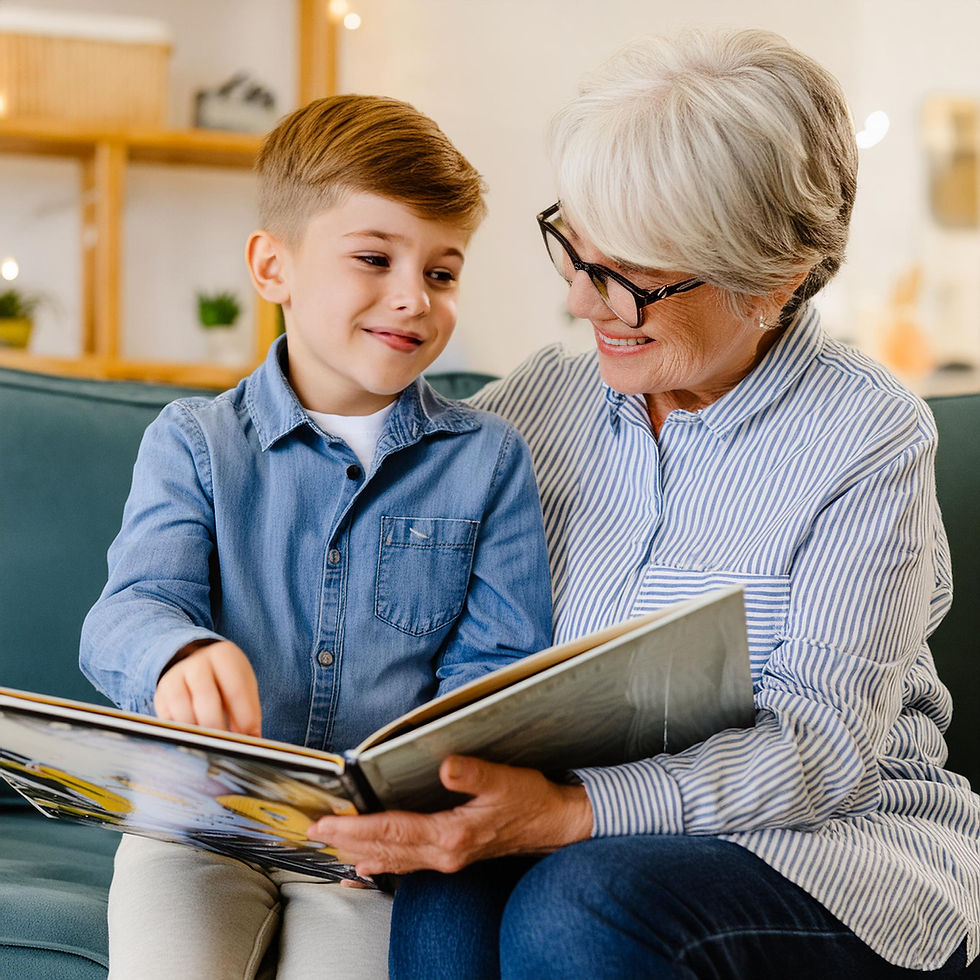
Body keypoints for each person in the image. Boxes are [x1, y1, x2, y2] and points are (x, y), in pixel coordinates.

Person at [307, 30, 980, 979]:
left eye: (631, 279)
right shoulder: (542, 402)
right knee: (448, 899)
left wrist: (572, 813)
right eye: (575, 251)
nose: (583, 303)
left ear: (774, 281)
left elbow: (824, 749)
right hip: (566, 827)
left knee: (577, 904)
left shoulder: (869, 437)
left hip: (830, 851)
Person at [78, 94, 553, 979]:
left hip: (365, 856)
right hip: (196, 825)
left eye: (443, 273)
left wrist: (417, 794)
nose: (413, 298)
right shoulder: (194, 442)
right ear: (272, 268)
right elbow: (129, 609)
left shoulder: (488, 462)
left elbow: (496, 673)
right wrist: (175, 655)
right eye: (374, 258)